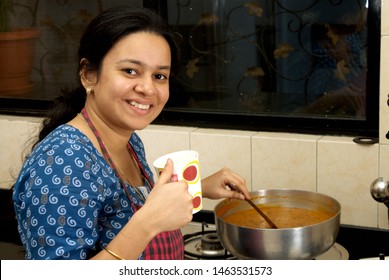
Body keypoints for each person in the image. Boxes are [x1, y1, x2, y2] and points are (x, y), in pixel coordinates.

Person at [12, 6, 250, 260]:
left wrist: (199, 188)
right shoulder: (63, 161)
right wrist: (148, 223)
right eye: (130, 71)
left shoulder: (129, 141)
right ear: (88, 74)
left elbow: (124, 208)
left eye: (160, 75)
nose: (148, 88)